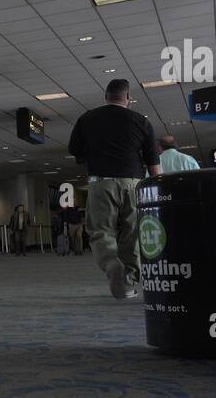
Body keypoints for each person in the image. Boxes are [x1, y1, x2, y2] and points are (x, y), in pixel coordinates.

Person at [68, 78, 161, 299]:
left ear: (106, 97)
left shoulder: (87, 118)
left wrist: (89, 156)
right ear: (127, 98)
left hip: (101, 183)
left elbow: (75, 150)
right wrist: (158, 191)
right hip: (133, 184)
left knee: (101, 231)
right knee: (132, 233)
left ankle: (112, 266)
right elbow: (153, 163)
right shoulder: (141, 121)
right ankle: (127, 284)